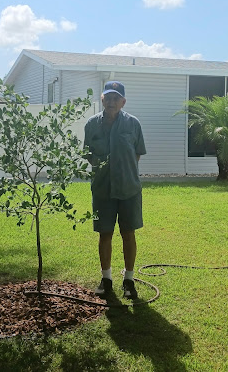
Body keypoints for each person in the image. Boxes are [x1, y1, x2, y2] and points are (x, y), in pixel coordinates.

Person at [84, 81, 146, 299]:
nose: (111, 102)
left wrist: (122, 168)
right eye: (107, 98)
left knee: (128, 233)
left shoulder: (133, 124)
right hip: (102, 190)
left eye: (115, 98)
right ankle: (107, 279)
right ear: (102, 99)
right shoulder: (91, 125)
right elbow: (89, 155)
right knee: (105, 233)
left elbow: (137, 153)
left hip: (129, 188)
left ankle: (129, 280)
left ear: (123, 102)